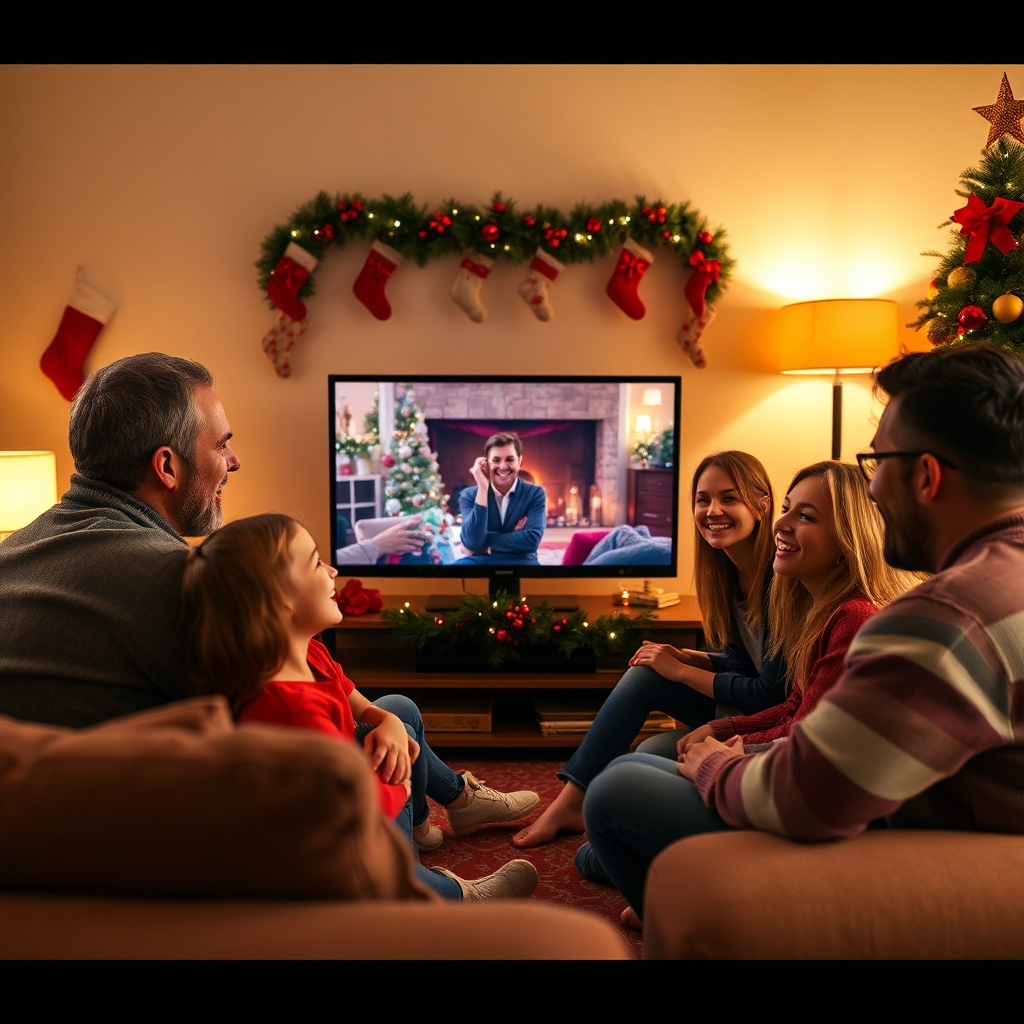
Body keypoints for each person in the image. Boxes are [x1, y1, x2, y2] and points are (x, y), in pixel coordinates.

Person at [585, 341, 1024, 924]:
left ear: (926, 475)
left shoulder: (940, 621)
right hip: (970, 841)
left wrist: (713, 763)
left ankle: (696, 917)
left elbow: (806, 799)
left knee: (615, 794)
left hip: (925, 867)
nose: (869, 491)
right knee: (636, 766)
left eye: (877, 464)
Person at [579, 460, 917, 917]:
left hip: (801, 800)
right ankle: (650, 853)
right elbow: (795, 703)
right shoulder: (816, 606)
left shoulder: (854, 617)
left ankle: (675, 906)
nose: (781, 524)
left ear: (847, 541)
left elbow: (802, 736)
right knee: (637, 764)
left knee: (616, 790)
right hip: (779, 767)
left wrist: (723, 750)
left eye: (807, 516)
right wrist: (721, 727)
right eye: (786, 509)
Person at [181, 513, 541, 902]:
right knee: (387, 872)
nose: (333, 569)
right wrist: (399, 781)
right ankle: (450, 896)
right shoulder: (292, 714)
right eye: (317, 562)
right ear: (280, 600)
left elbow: (363, 707)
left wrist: (387, 724)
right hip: (338, 849)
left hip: (347, 791)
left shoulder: (310, 652)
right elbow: (348, 817)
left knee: (398, 708)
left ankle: (440, 814)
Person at [513, 451, 787, 848]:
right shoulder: (727, 575)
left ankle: (577, 807)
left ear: (762, 504)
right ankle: (580, 806)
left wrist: (682, 673)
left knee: (650, 737)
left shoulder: (779, 582)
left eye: (729, 498)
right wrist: (691, 658)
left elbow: (772, 692)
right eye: (702, 499)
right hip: (749, 707)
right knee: (648, 742)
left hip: (772, 721)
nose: (713, 510)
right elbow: (747, 666)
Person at [0, 353, 239, 727]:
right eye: (221, 445)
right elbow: (285, 724)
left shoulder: (10, 552)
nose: (234, 461)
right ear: (166, 467)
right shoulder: (177, 577)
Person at [454, 433, 546, 565]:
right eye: (496, 460)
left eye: (510, 459)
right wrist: (483, 489)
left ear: (520, 461)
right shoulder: (468, 495)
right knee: (458, 569)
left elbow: (531, 541)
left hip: (521, 560)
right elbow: (472, 542)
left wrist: (484, 541)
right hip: (481, 560)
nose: (503, 466)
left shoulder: (535, 493)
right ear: (486, 463)